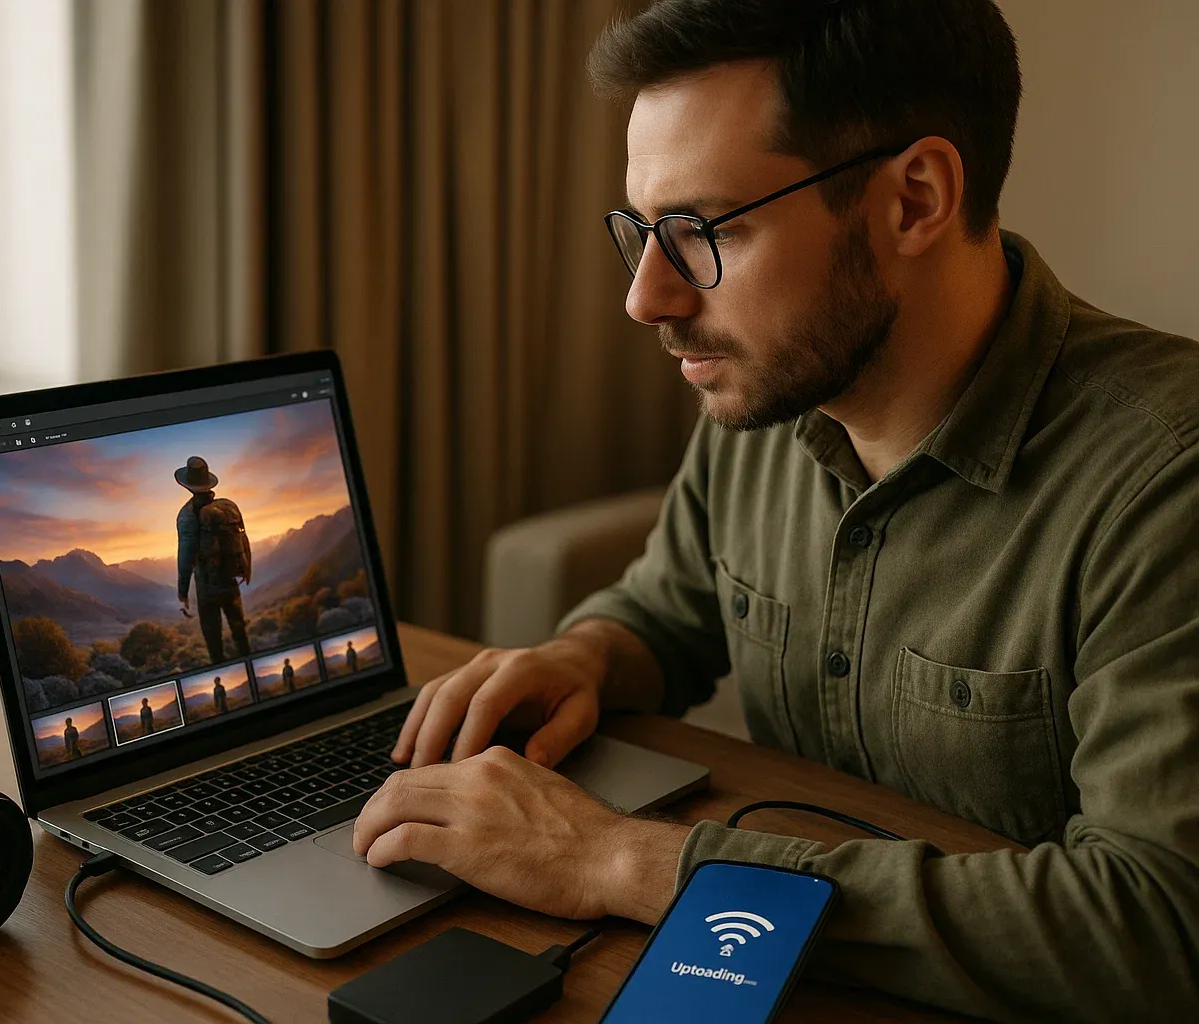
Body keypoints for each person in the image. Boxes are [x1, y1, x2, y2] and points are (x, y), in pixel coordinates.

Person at [351, 2, 1199, 1020]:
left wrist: (625, 860)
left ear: (914, 200)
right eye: (641, 232)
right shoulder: (766, 391)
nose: (647, 299)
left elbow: (1155, 924)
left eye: (705, 231)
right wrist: (587, 654)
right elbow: (671, 606)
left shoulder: (1165, 481)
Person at [175, 456, 253, 663]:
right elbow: (243, 537)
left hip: (207, 586)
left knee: (213, 636)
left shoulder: (187, 516)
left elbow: (185, 557)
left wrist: (182, 591)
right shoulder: (229, 507)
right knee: (239, 629)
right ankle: (250, 665)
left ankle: (221, 669)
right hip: (230, 580)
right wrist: (247, 567)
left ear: (188, 486)